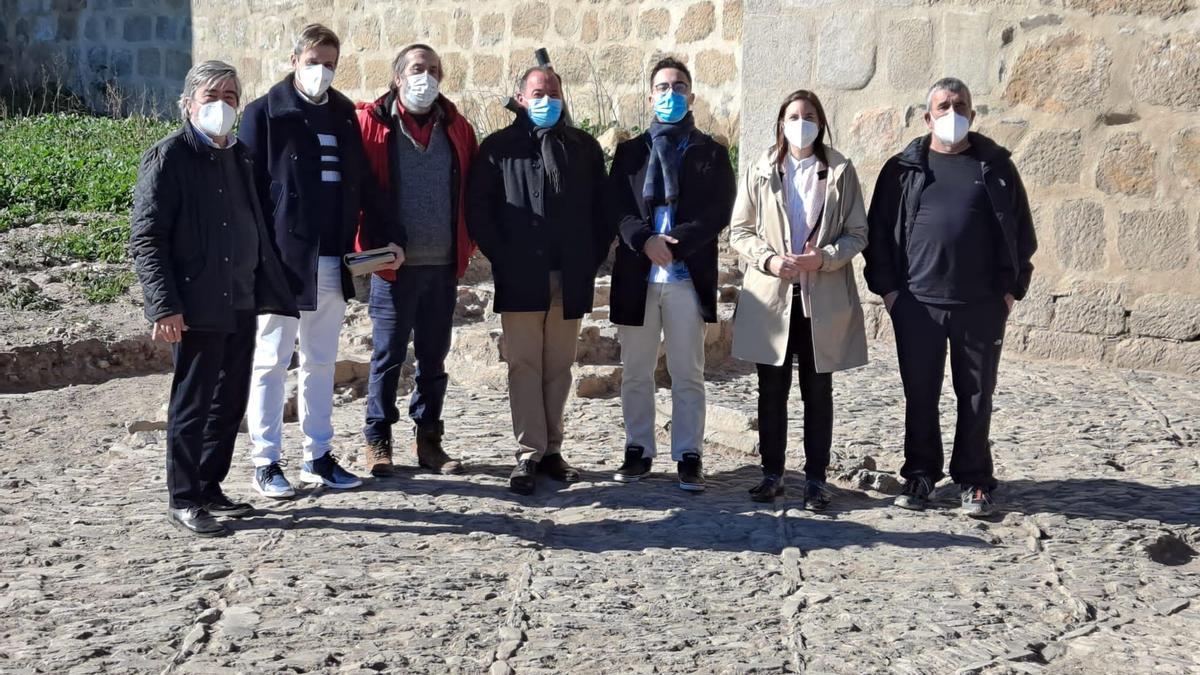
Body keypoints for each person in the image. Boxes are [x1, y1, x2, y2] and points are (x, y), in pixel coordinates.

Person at [130, 60, 297, 536]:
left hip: (240, 296)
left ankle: (209, 485)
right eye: (211, 96)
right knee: (193, 401)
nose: (221, 105)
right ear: (188, 104)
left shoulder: (240, 157)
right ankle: (183, 497)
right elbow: (148, 238)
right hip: (197, 300)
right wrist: (164, 305)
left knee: (229, 398)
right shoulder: (169, 157)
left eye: (229, 97)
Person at [238, 24, 400, 498]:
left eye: (330, 63)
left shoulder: (345, 114)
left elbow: (365, 184)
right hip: (282, 263)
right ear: (294, 61)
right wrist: (257, 258)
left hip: (333, 259)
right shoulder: (264, 114)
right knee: (270, 362)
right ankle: (266, 461)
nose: (322, 71)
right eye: (314, 62)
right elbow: (248, 194)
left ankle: (318, 456)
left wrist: (387, 235)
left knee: (321, 361)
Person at [865, 77, 1037, 517]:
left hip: (980, 305)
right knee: (920, 392)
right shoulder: (901, 169)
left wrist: (1010, 292)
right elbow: (878, 235)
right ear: (927, 117)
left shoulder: (995, 166)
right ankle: (920, 474)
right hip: (917, 304)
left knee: (976, 395)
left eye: (960, 105)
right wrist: (889, 293)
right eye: (942, 106)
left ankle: (974, 480)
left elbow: (1021, 233)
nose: (951, 113)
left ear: (973, 114)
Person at [466, 66, 610, 496]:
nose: (545, 99)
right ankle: (528, 451)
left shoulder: (582, 148)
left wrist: (591, 258)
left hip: (570, 273)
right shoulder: (499, 148)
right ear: (521, 98)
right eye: (536, 92)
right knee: (524, 364)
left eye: (552, 92)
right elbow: (480, 211)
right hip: (521, 274)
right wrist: (504, 257)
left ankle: (553, 450)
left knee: (559, 365)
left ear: (563, 97)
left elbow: (602, 211)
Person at [729, 90, 869, 509]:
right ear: (780, 122)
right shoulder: (760, 169)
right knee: (771, 390)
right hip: (771, 296)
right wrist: (770, 261)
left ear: (821, 122)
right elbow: (740, 230)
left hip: (819, 299)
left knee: (817, 390)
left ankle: (815, 479)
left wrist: (823, 258)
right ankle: (771, 473)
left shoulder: (841, 171)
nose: (801, 122)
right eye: (793, 115)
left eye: (809, 115)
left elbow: (857, 233)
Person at [606, 57, 735, 492]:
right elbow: (617, 209)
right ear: (649, 96)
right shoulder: (629, 153)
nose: (670, 94)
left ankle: (689, 454)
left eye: (679, 86)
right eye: (662, 87)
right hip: (638, 276)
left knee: (687, 371)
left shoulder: (711, 153)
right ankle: (637, 448)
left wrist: (672, 242)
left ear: (692, 95)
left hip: (685, 274)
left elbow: (718, 210)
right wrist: (644, 240)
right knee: (636, 371)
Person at [355, 43, 479, 478]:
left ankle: (429, 441)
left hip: (443, 264)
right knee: (387, 355)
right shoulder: (372, 124)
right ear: (397, 77)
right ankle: (378, 439)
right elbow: (359, 188)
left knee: (433, 356)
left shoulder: (457, 128)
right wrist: (368, 244)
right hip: (394, 266)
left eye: (432, 69)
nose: (424, 76)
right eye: (415, 69)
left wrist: (471, 241)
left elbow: (472, 187)